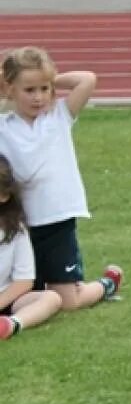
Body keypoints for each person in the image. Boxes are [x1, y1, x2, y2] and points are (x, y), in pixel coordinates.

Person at [0, 46, 122, 311]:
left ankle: (106, 284)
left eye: (44, 89)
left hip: (57, 221)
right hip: (21, 223)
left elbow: (87, 79)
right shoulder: (4, 127)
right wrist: (11, 83)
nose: (38, 97)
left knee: (68, 301)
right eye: (29, 90)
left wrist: (48, 78)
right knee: (26, 293)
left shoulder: (59, 117)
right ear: (10, 89)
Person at [0, 154, 61, 339]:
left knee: (52, 298)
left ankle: (11, 325)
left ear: (4, 195)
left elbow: (24, 281)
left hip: (6, 297)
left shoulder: (15, 230)